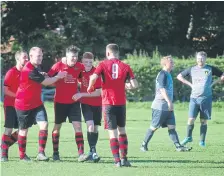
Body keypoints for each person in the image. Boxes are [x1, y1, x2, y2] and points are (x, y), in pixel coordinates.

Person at [87, 43, 138, 167]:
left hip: (108, 103)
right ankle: (124, 159)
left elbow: (93, 76)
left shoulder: (103, 65)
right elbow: (135, 85)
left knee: (112, 133)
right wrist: (128, 86)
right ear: (118, 52)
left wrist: (90, 86)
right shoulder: (125, 66)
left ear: (108, 53)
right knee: (122, 131)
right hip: (121, 103)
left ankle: (117, 161)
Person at [15, 47, 67, 162]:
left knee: (44, 124)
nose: (40, 58)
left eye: (41, 56)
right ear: (31, 56)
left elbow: (39, 76)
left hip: (36, 103)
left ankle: (41, 153)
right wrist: (58, 76)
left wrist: (42, 73)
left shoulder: (34, 68)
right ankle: (22, 155)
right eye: (38, 56)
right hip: (24, 104)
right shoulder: (29, 69)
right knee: (23, 130)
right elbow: (46, 82)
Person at [140, 56, 192, 153]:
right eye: (171, 62)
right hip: (160, 106)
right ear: (165, 64)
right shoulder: (162, 74)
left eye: (173, 62)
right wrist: (169, 102)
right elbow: (162, 89)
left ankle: (178, 146)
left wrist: (170, 103)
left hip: (168, 107)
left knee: (172, 127)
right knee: (154, 127)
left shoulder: (168, 74)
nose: (173, 64)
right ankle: (143, 145)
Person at [48, 45, 87, 162]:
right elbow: (47, 80)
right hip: (60, 102)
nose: (74, 59)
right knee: (57, 127)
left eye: (76, 56)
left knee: (78, 126)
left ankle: (81, 154)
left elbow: (83, 77)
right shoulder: (58, 66)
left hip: (74, 102)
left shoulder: (80, 66)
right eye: (72, 56)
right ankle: (55, 153)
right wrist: (56, 80)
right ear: (66, 56)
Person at [177, 51, 224, 147]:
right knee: (190, 119)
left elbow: (222, 75)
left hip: (206, 98)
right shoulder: (192, 69)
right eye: (198, 58)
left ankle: (202, 141)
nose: (200, 60)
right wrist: (190, 84)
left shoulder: (210, 69)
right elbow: (179, 76)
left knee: (203, 120)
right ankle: (188, 137)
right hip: (194, 98)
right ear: (196, 59)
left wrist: (215, 82)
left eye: (202, 58)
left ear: (205, 59)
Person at [72, 52, 102, 163]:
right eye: (85, 62)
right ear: (82, 62)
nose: (88, 64)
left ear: (93, 61)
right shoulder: (80, 71)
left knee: (95, 128)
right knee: (90, 125)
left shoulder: (96, 73)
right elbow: (76, 78)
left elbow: (98, 93)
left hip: (97, 104)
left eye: (90, 62)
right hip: (86, 104)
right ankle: (93, 151)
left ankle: (91, 151)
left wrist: (81, 94)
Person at [1, 50, 28, 162]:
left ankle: (21, 155)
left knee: (23, 129)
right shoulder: (11, 72)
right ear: (17, 59)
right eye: (24, 57)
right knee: (8, 129)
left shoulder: (27, 72)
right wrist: (18, 96)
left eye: (27, 57)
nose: (27, 60)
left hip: (23, 106)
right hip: (10, 105)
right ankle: (3, 155)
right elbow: (5, 90)